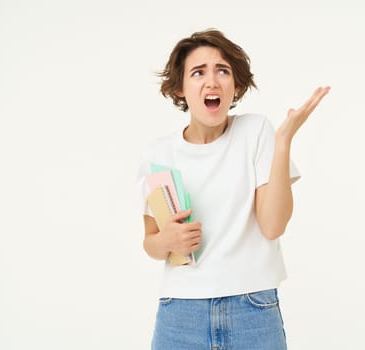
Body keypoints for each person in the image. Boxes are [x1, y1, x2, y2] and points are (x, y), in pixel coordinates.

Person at [136, 28, 329, 350]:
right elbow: (151, 243)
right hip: (180, 312)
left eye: (222, 71)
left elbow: (273, 226)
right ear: (181, 89)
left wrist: (282, 144)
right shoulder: (159, 153)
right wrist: (167, 240)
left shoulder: (256, 132)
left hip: (252, 308)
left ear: (235, 85)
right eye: (198, 73)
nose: (211, 81)